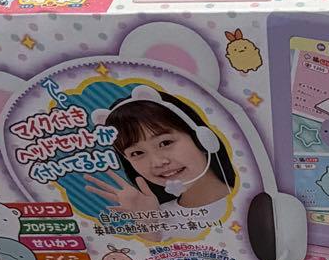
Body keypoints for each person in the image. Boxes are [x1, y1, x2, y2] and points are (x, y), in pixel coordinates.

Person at [84, 91, 235, 240]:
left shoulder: (245, 200)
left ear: (202, 138)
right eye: (137, 153)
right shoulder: (154, 218)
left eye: (165, 143)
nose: (157, 162)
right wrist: (145, 222)